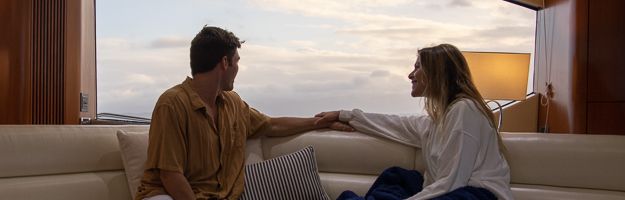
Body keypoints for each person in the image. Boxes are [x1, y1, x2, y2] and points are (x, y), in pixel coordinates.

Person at [135, 26, 348, 200]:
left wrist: (320, 122)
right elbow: (170, 175)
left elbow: (271, 125)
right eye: (236, 61)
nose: (238, 68)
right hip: (168, 195)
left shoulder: (233, 104)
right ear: (224, 63)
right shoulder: (172, 104)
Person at [315, 44, 513, 200]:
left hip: (474, 194)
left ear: (436, 72)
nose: (410, 75)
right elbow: (390, 124)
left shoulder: (465, 110)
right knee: (396, 176)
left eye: (417, 67)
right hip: (447, 189)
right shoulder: (435, 122)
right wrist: (342, 115)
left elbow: (452, 181)